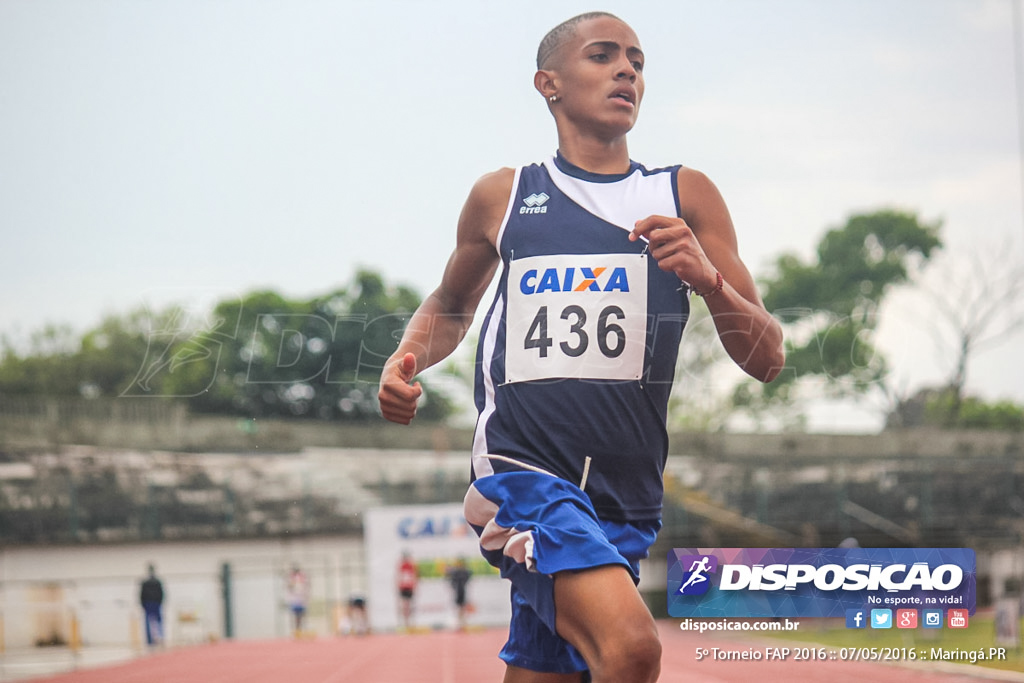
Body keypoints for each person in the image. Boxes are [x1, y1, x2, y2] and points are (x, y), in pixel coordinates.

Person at [378, 11, 784, 682]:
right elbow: (451, 306)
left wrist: (708, 280)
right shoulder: (505, 196)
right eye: (603, 56)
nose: (628, 69)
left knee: (552, 671)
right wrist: (405, 357)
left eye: (637, 60)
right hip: (524, 474)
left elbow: (767, 358)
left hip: (625, 495)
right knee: (631, 647)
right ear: (550, 83)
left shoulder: (683, 195)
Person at [139, 564, 164, 647]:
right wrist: (160, 602)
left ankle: (150, 641)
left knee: (149, 622)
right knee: (158, 622)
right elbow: (161, 593)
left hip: (149, 603)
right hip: (154, 603)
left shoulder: (146, 582)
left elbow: (141, 595)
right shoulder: (157, 582)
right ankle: (160, 638)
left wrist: (143, 604)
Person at [446, 557, 473, 630]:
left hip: (462, 591)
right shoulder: (456, 572)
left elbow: (468, 576)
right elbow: (451, 578)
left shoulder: (464, 572)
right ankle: (459, 622)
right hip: (458, 591)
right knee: (459, 607)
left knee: (462, 607)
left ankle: (463, 622)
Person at [396, 552, 418, 631]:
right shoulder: (401, 565)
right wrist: (398, 586)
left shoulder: (411, 565)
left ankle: (411, 623)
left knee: (410, 605)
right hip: (403, 587)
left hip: (409, 587)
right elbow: (398, 576)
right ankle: (406, 623)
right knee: (404, 605)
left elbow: (414, 576)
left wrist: (415, 586)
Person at [286, 565, 310, 636]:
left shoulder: (302, 577)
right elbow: (289, 587)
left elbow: (306, 586)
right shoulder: (291, 578)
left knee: (302, 616)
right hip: (295, 601)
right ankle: (296, 631)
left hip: (301, 600)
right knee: (296, 617)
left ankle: (301, 631)